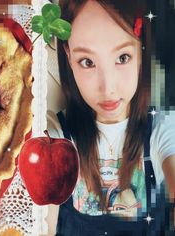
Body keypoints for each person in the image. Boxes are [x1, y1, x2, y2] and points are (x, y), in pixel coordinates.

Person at [46, 0, 175, 235]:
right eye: (87, 62)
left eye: (123, 58)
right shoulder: (55, 136)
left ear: (140, 51)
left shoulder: (162, 129)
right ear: (68, 56)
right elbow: (42, 221)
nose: (108, 88)